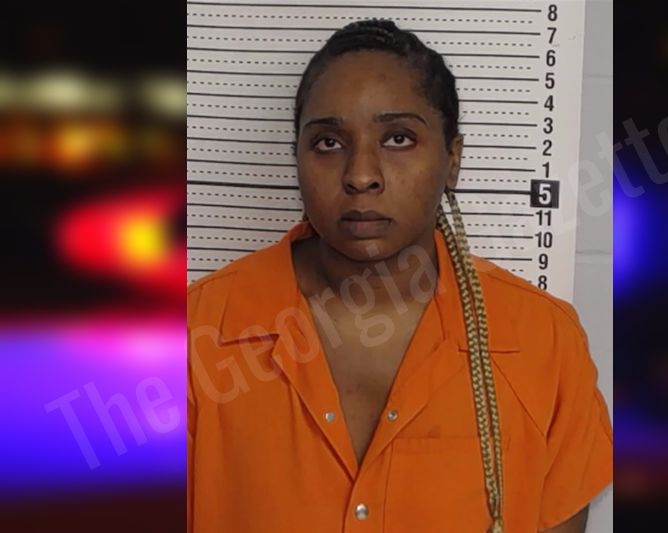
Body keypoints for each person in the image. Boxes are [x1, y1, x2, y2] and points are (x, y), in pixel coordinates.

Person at [187, 19, 612, 533]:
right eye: (328, 143)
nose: (361, 175)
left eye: (398, 138)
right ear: (295, 157)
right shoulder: (194, 334)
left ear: (452, 160)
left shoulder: (544, 341)